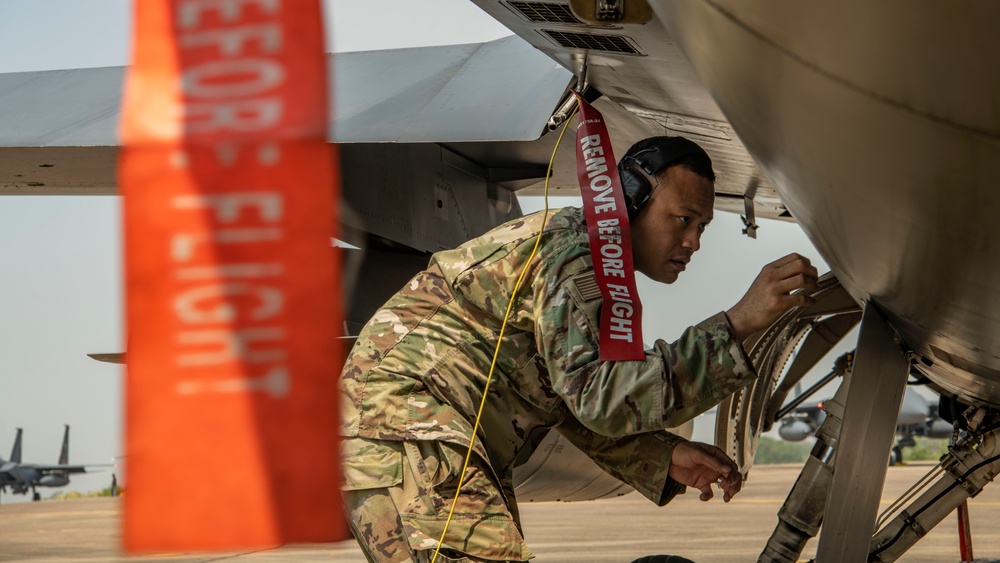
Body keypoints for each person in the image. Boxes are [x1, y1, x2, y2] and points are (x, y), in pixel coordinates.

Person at [340, 135, 819, 562]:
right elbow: (599, 401)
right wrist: (736, 324)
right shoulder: (575, 252)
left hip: (415, 430)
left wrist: (664, 455)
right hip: (409, 429)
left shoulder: (594, 265)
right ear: (630, 200)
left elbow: (571, 401)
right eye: (682, 219)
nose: (692, 241)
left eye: (702, 226)